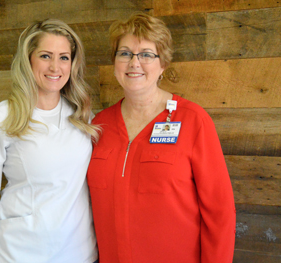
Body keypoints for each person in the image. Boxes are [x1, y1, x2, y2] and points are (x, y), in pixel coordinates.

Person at [87, 13, 236, 263]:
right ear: (114, 63)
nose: (135, 63)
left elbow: (219, 212)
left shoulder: (193, 120)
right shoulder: (99, 125)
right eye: (125, 53)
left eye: (146, 54)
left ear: (163, 65)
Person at [0, 18, 99, 263]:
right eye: (45, 56)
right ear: (28, 60)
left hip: (82, 255)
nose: (55, 67)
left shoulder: (83, 118)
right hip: (22, 254)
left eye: (64, 57)